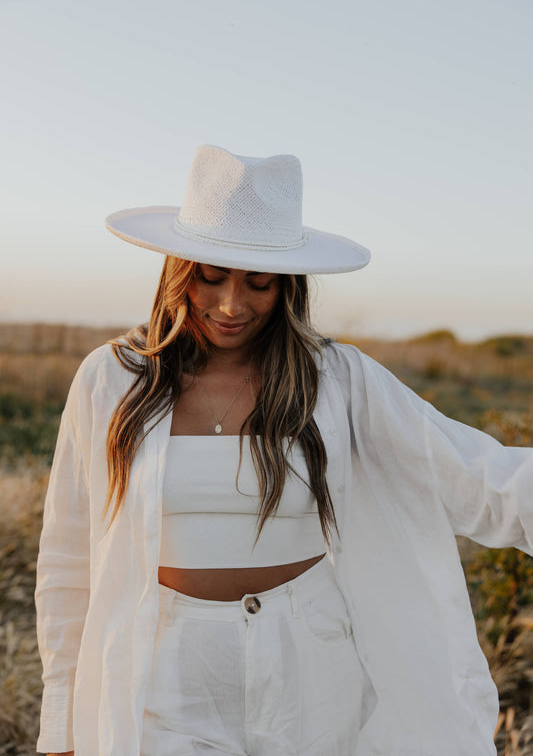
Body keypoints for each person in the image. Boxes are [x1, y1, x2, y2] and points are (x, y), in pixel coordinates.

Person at [35, 145, 533, 756]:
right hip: (165, 667)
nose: (230, 305)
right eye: (210, 276)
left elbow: (473, 473)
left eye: (259, 282)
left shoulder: (336, 378)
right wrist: (61, 721)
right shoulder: (112, 378)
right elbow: (67, 553)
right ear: (176, 271)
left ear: (288, 284)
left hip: (311, 662)